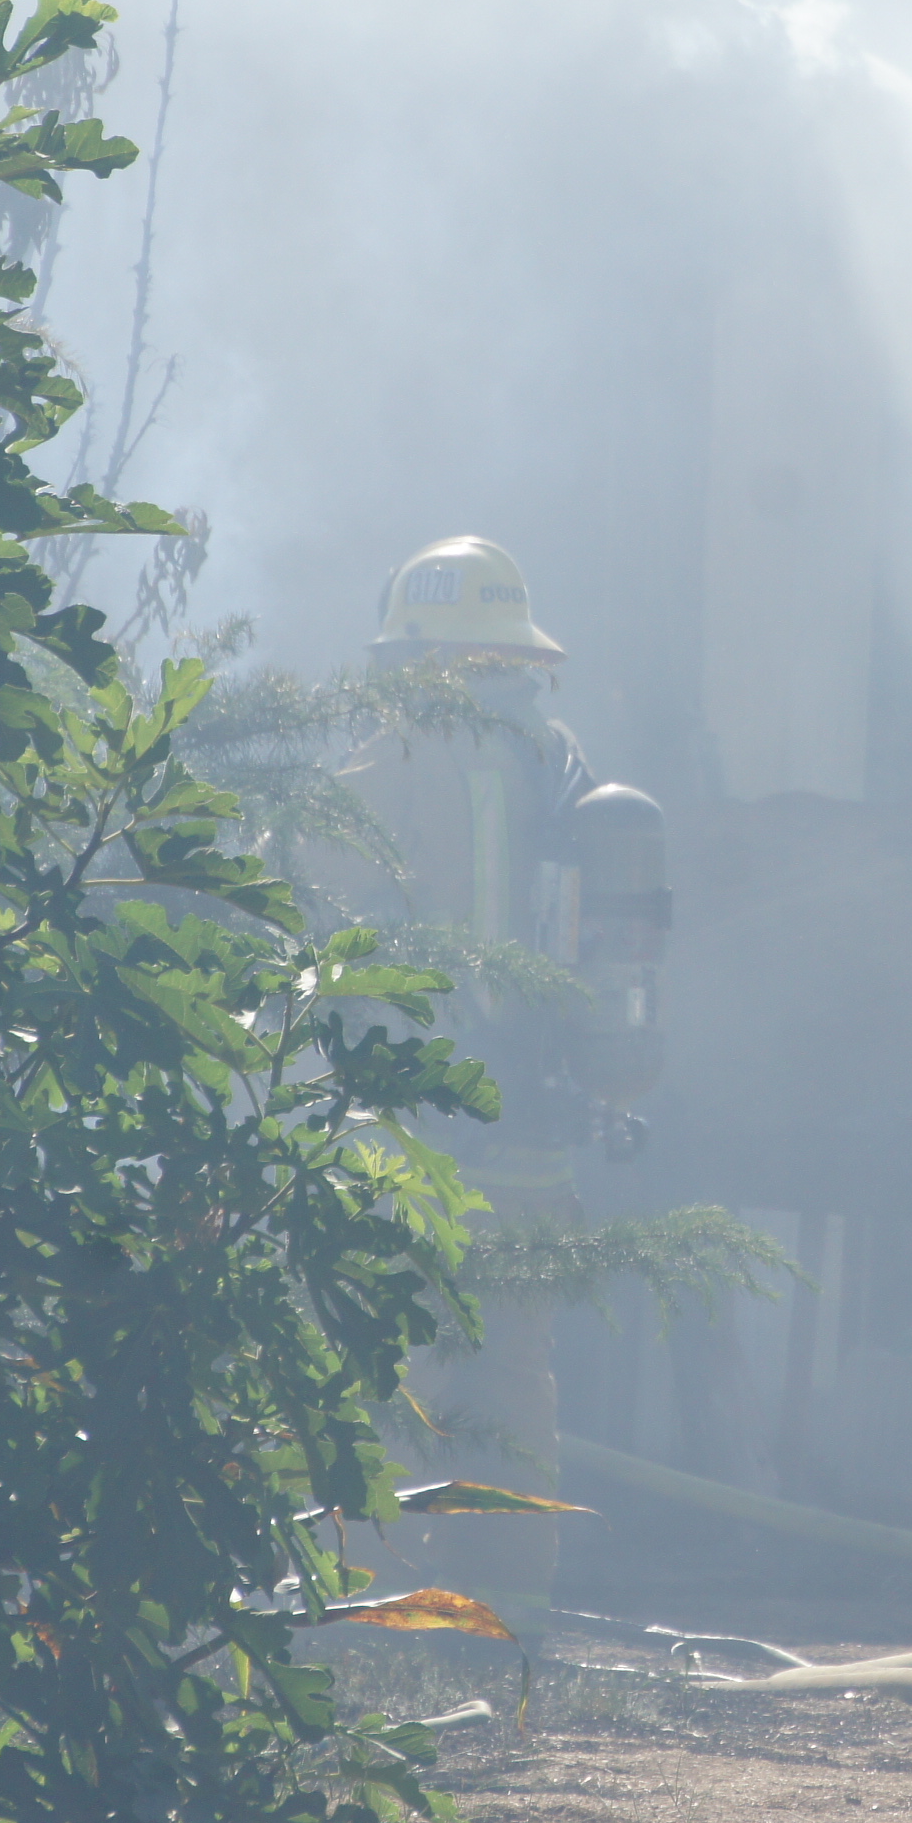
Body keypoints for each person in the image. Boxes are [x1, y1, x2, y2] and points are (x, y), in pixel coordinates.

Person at [327, 535, 656, 1639]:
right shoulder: (556, 759)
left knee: (382, 1382)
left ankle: (375, 1628)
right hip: (533, 1147)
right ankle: (504, 1628)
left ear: (409, 653)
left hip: (409, 1143)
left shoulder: (388, 765)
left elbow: (324, 947)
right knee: (511, 1389)